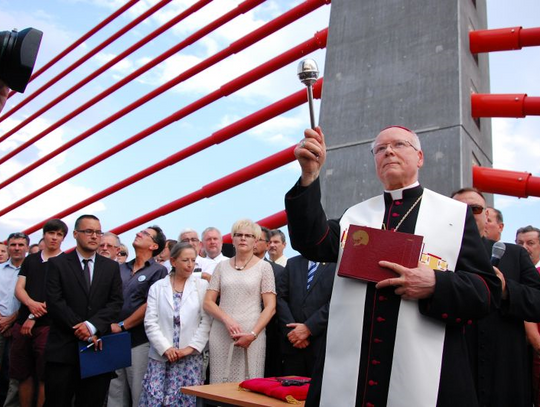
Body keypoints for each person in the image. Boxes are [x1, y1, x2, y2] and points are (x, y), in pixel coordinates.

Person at [285, 125, 501, 406]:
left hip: (426, 369)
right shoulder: (356, 215)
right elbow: (311, 241)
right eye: (379, 149)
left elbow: (486, 291)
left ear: (420, 157)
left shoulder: (454, 215)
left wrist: (436, 283)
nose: (388, 151)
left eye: (399, 144)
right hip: (353, 371)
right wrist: (310, 175)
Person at [452, 188, 540, 407]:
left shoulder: (514, 254)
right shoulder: (434, 255)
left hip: (506, 370)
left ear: (487, 217)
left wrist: (506, 290)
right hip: (455, 368)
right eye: (457, 208)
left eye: (474, 209)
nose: (465, 214)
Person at [43, 214, 123, 407]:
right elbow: (55, 302)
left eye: (98, 232)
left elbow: (115, 302)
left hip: (98, 350)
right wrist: (81, 328)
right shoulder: (58, 264)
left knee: (92, 402)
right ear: (76, 234)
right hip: (63, 349)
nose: (94, 236)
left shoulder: (111, 267)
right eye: (89, 231)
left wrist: (91, 326)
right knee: (57, 402)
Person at [203, 219, 276, 383]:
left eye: (248, 236)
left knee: (250, 386)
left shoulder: (264, 267)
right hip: (221, 332)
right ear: (233, 239)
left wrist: (253, 334)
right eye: (239, 235)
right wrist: (227, 320)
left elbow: (270, 307)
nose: (243, 238)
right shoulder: (221, 266)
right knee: (219, 387)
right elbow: (208, 302)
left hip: (251, 334)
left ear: (255, 241)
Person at [139, 242, 211, 406]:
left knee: (185, 400)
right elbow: (150, 321)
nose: (190, 265)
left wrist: (190, 348)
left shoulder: (201, 286)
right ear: (173, 261)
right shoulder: (158, 287)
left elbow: (206, 321)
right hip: (161, 356)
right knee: (155, 398)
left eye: (193, 260)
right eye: (185, 260)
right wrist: (165, 348)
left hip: (190, 357)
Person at [107, 226, 167, 407]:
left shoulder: (158, 271)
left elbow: (150, 304)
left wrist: (123, 325)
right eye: (140, 231)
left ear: (154, 246)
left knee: (138, 393)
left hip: (138, 341)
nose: (138, 234)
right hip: (112, 339)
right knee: (114, 394)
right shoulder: (120, 268)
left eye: (146, 234)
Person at [11, 219, 67, 407]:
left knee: (45, 377)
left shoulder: (66, 262)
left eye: (59, 234)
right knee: (23, 375)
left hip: (48, 327)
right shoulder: (31, 259)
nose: (55, 237)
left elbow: (59, 297)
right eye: (52, 233)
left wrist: (33, 316)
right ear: (44, 234)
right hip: (22, 323)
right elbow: (19, 288)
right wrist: (30, 305)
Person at [276, 256, 335, 378]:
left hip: (321, 344)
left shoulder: (337, 263)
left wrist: (309, 328)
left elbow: (337, 300)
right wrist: (292, 332)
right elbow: (280, 297)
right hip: (292, 344)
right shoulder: (293, 263)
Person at [254, 226, 285, 377]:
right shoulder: (232, 268)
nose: (252, 242)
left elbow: (280, 303)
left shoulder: (278, 270)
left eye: (258, 239)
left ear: (267, 245)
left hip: (269, 333)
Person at [0, 233, 30, 368]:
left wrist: (10, 320)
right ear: (7, 248)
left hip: (23, 326)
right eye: (13, 245)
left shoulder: (34, 270)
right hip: (0, 325)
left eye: (21, 245)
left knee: (16, 371)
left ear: (27, 248)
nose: (17, 248)